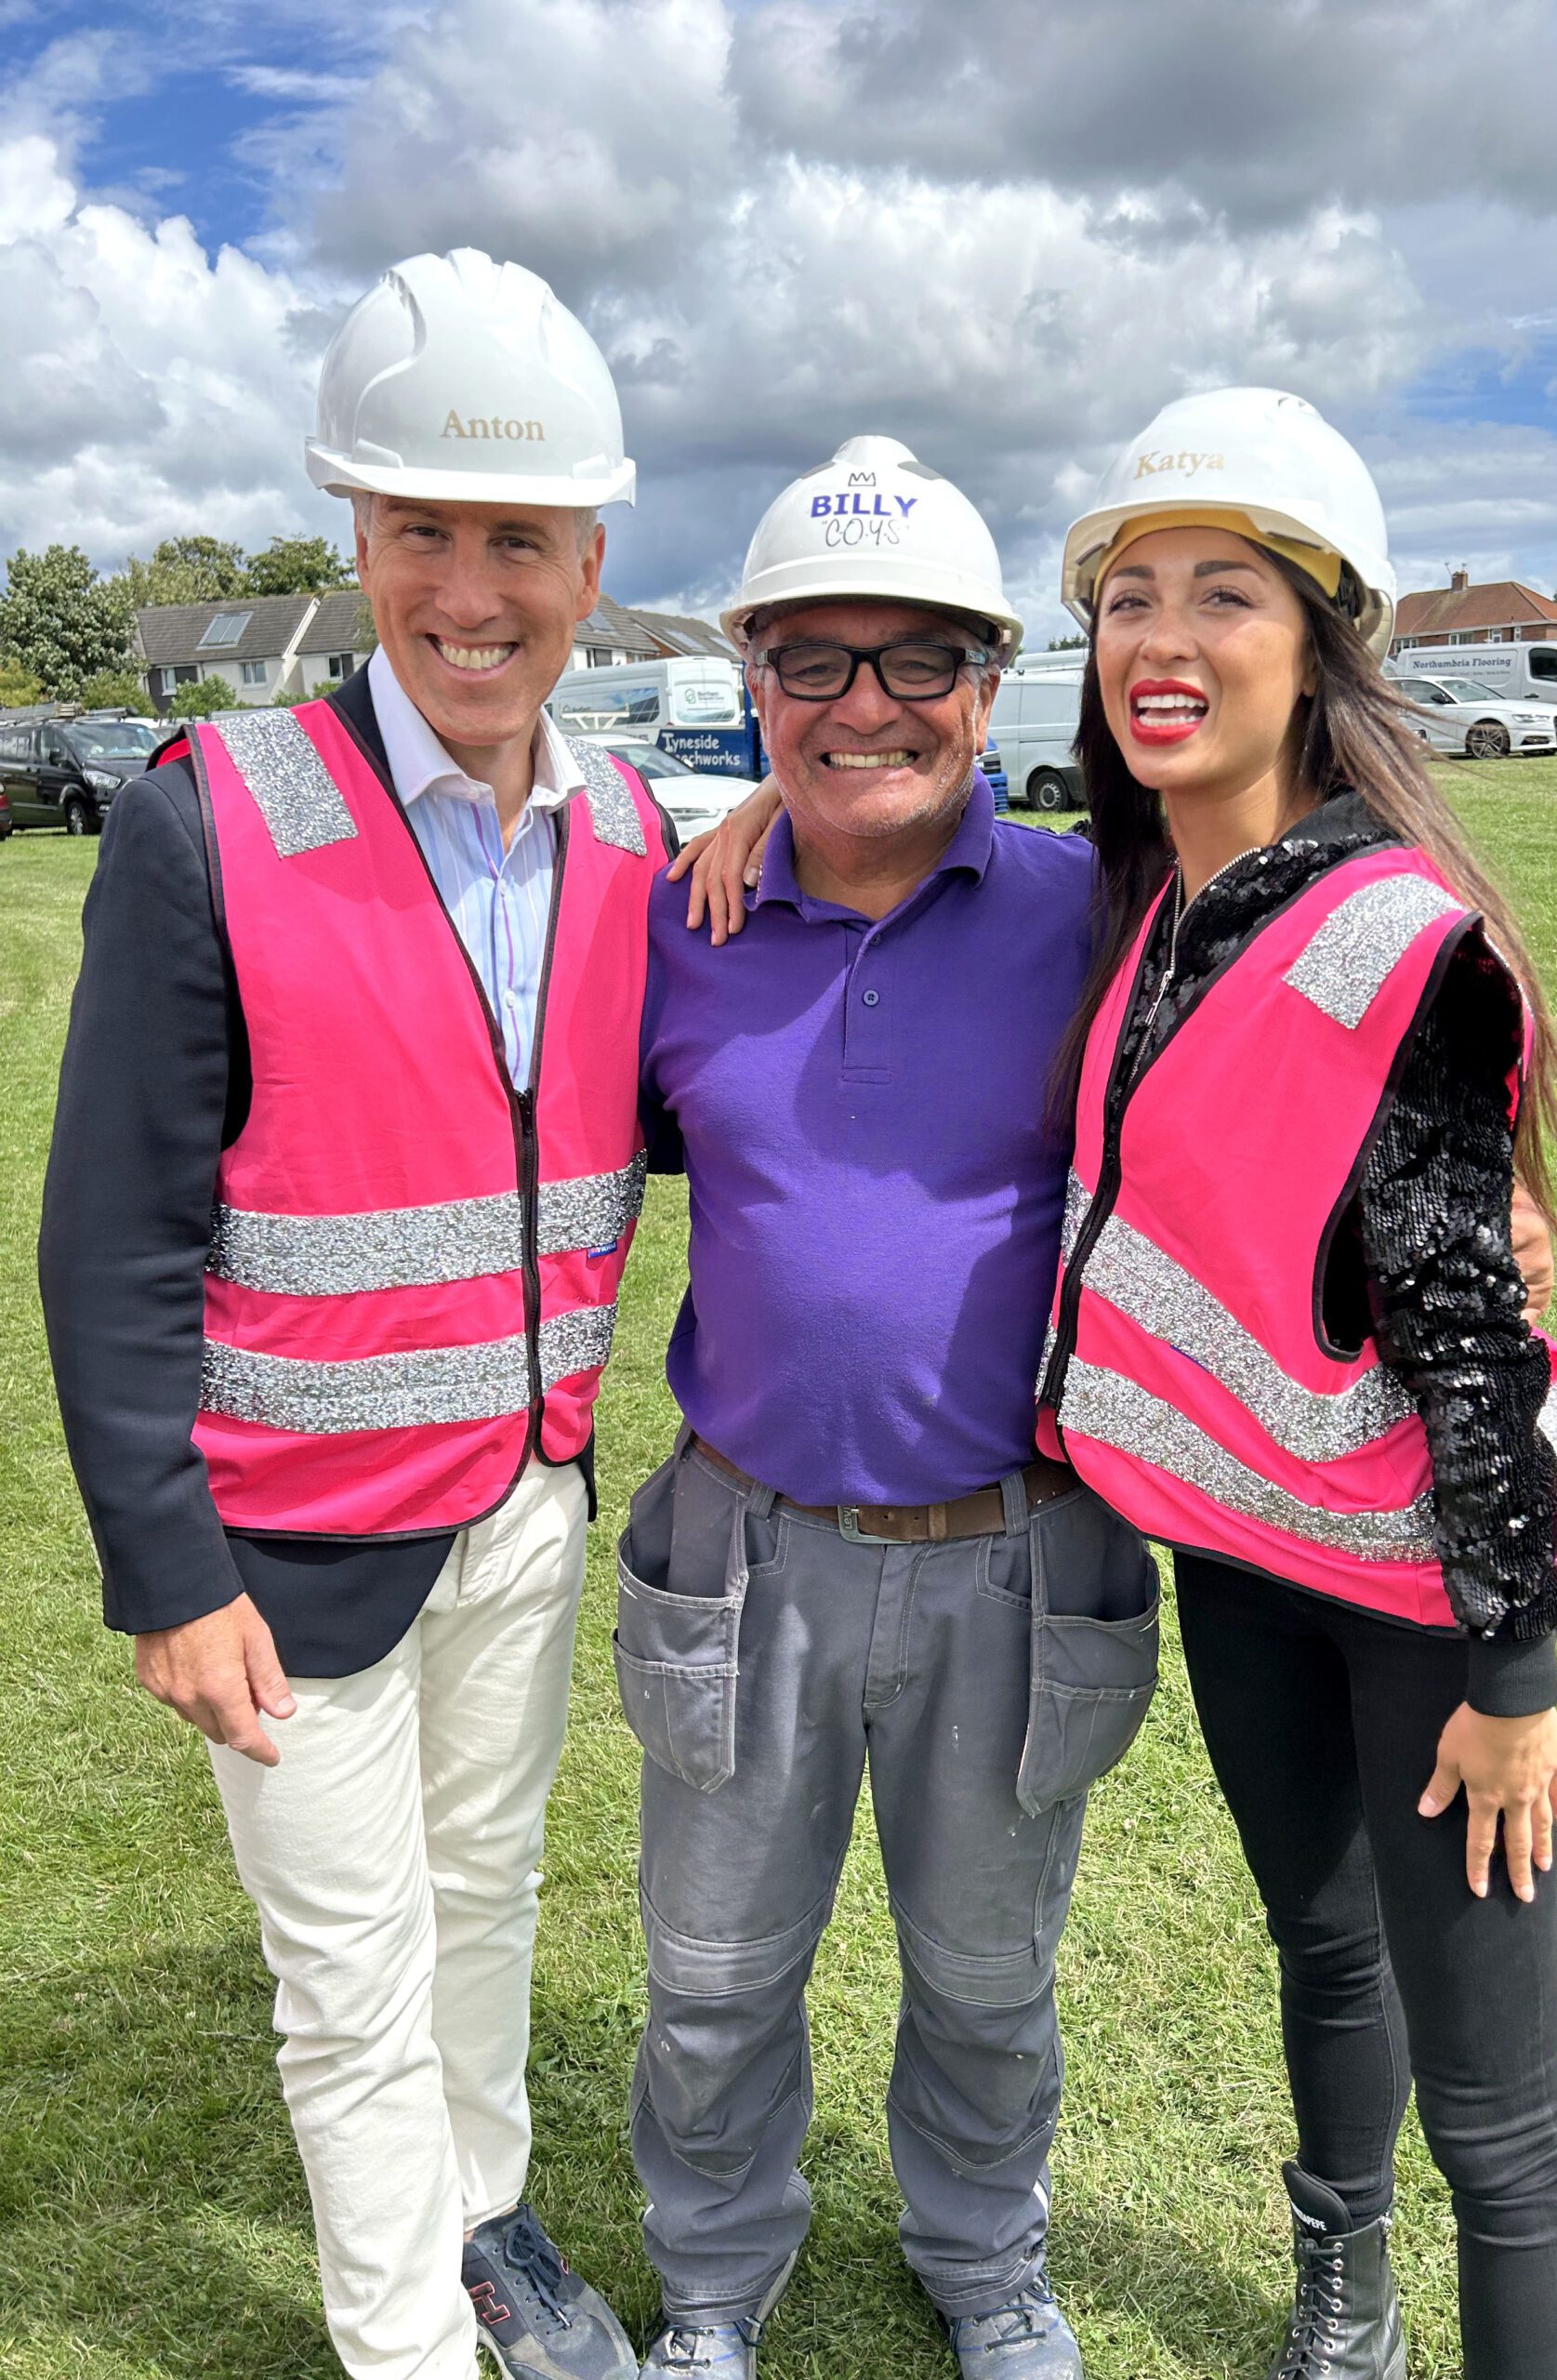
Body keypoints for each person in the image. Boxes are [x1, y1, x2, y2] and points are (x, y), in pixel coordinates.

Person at [39, 249, 672, 2380]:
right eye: (424, 531)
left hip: (523, 1502)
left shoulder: (629, 824)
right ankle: (404, 2344)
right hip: (288, 1546)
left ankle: (483, 2229)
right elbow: (110, 1231)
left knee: (485, 1895)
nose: (469, 592)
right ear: (359, 538)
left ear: (589, 564)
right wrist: (162, 1562)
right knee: (351, 1975)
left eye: (518, 540)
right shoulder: (211, 817)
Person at [1033, 388, 1557, 2379]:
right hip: (1247, 1555)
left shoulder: (1397, 941)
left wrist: (1513, 1680)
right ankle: (1342, 2298)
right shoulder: (1159, 902)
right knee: (1322, 1943)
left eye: (1225, 594)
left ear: (1318, 643)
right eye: (1129, 598)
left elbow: (1471, 1338)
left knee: (1499, 2115)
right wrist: (768, 807)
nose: (1163, 639)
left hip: (1427, 1608)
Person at [620, 435, 1161, 2380]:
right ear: (754, 681)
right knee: (709, 1979)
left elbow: (1327, 981)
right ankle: (711, 2282)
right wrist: (733, 825)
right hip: (744, 1546)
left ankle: (987, 2261)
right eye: (815, 661)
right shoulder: (666, 926)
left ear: (992, 683)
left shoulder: (1104, 912)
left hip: (1019, 1556)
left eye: (920, 658)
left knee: (992, 1980)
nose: (868, 705)